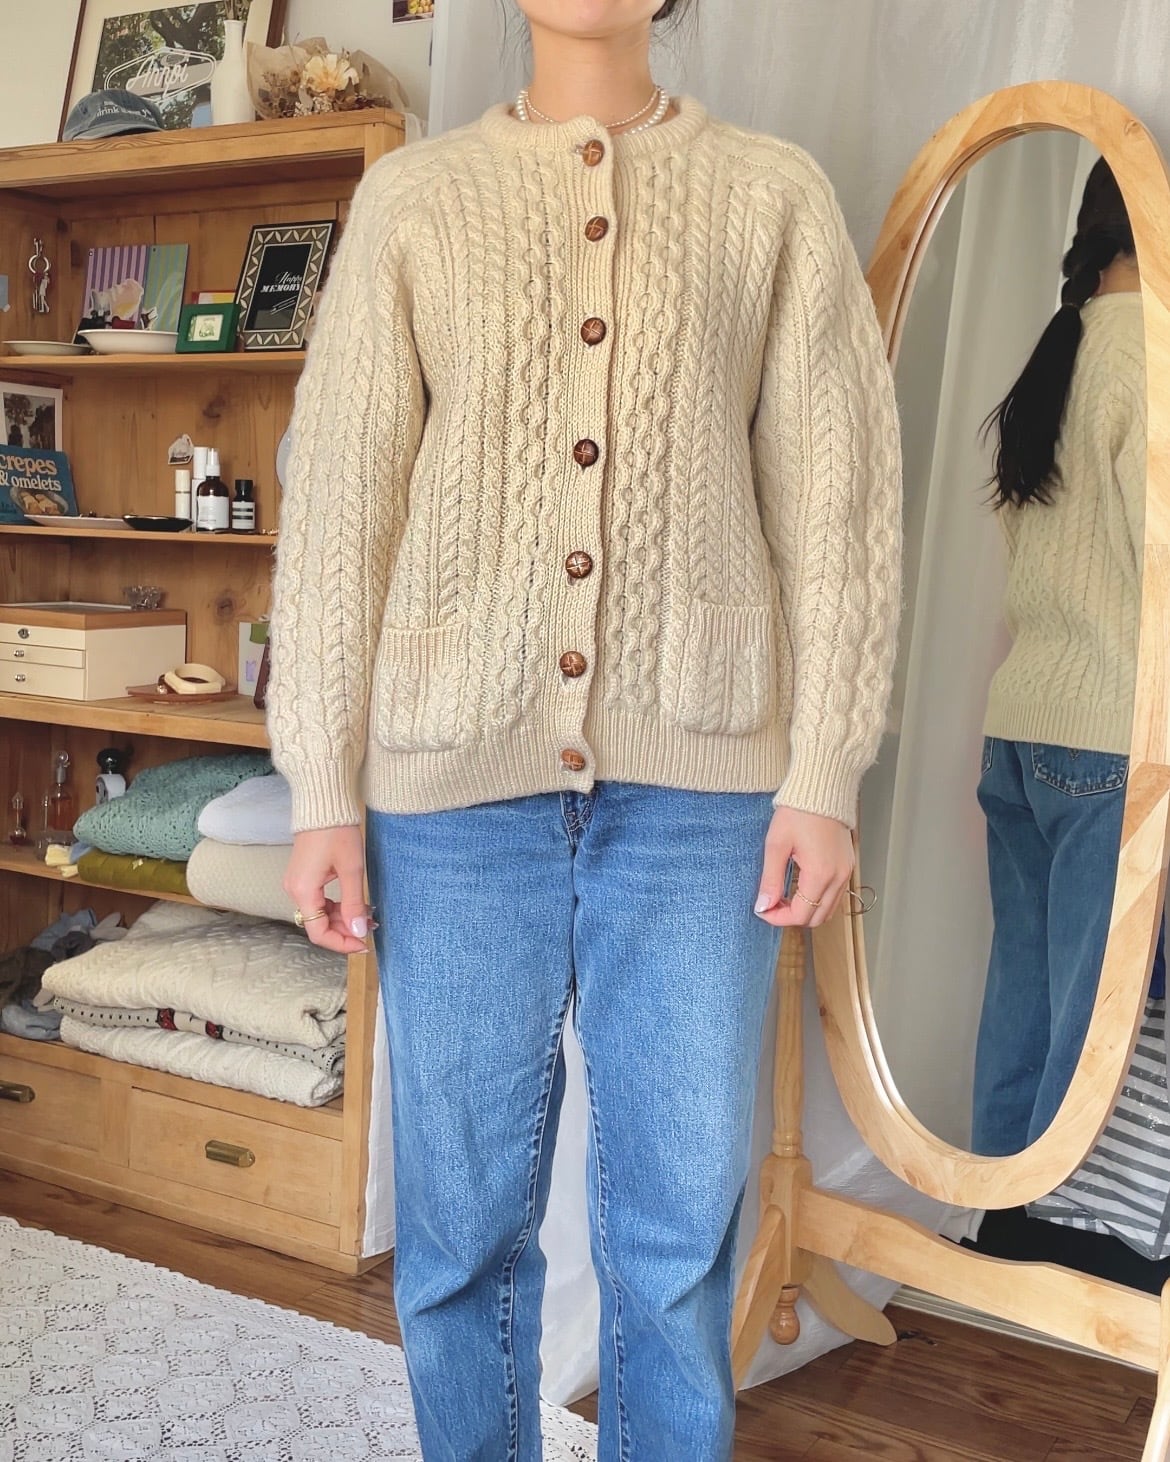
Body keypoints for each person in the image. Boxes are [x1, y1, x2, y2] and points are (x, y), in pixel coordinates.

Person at [267, 1, 900, 1456]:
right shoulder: (413, 201)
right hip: (448, 795)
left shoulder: (771, 197)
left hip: (702, 797)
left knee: (676, 1244)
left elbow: (837, 509)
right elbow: (344, 507)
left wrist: (824, 770)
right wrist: (320, 788)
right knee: (457, 1236)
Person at [972, 158, 1159, 1158]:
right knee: (1094, 1026)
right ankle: (1051, 1220)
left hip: (1020, 729)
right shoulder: (1150, 356)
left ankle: (997, 1214)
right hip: (1111, 740)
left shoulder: (1060, 347)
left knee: (1025, 992)